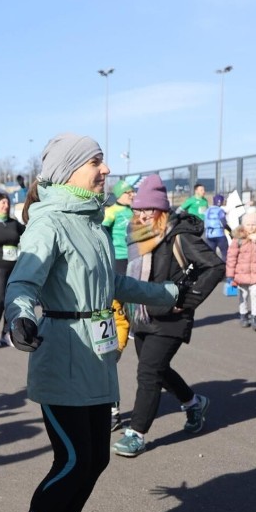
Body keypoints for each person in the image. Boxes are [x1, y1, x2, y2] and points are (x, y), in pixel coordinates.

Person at [3, 133, 178, 512]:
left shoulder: (93, 224)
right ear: (68, 171)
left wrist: (170, 292)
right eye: (96, 161)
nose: (106, 169)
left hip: (97, 359)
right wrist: (19, 315)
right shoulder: (49, 222)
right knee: (73, 460)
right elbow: (24, 281)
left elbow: (114, 285)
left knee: (97, 459)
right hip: (62, 357)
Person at [112, 174, 224, 458]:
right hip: (143, 315)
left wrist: (187, 302)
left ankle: (136, 434)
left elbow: (215, 267)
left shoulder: (179, 236)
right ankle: (193, 402)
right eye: (138, 209)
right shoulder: (136, 235)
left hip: (173, 318)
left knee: (148, 373)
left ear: (161, 210)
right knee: (159, 372)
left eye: (148, 209)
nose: (141, 214)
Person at [102, 175, 139, 430]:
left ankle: (131, 325)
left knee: (129, 301)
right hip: (116, 260)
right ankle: (110, 410)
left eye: (133, 192)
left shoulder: (135, 212)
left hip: (132, 258)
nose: (132, 195)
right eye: (128, 192)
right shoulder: (112, 211)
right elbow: (101, 231)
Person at [0, 192, 24, 349]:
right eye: (2, 203)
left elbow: (29, 231)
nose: (6, 206)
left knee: (11, 302)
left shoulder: (13, 223)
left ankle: (7, 333)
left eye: (7, 203)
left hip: (14, 266)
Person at [225, 210, 256, 329]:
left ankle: (255, 317)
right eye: (248, 224)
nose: (251, 227)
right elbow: (231, 257)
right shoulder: (238, 239)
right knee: (243, 296)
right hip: (241, 275)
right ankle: (244, 314)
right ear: (243, 225)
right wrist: (230, 275)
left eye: (253, 224)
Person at [204, 193, 230, 259]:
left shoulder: (207, 210)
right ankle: (224, 267)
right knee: (225, 253)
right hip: (219, 234)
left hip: (209, 235)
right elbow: (223, 222)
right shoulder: (220, 210)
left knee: (211, 255)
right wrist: (230, 230)